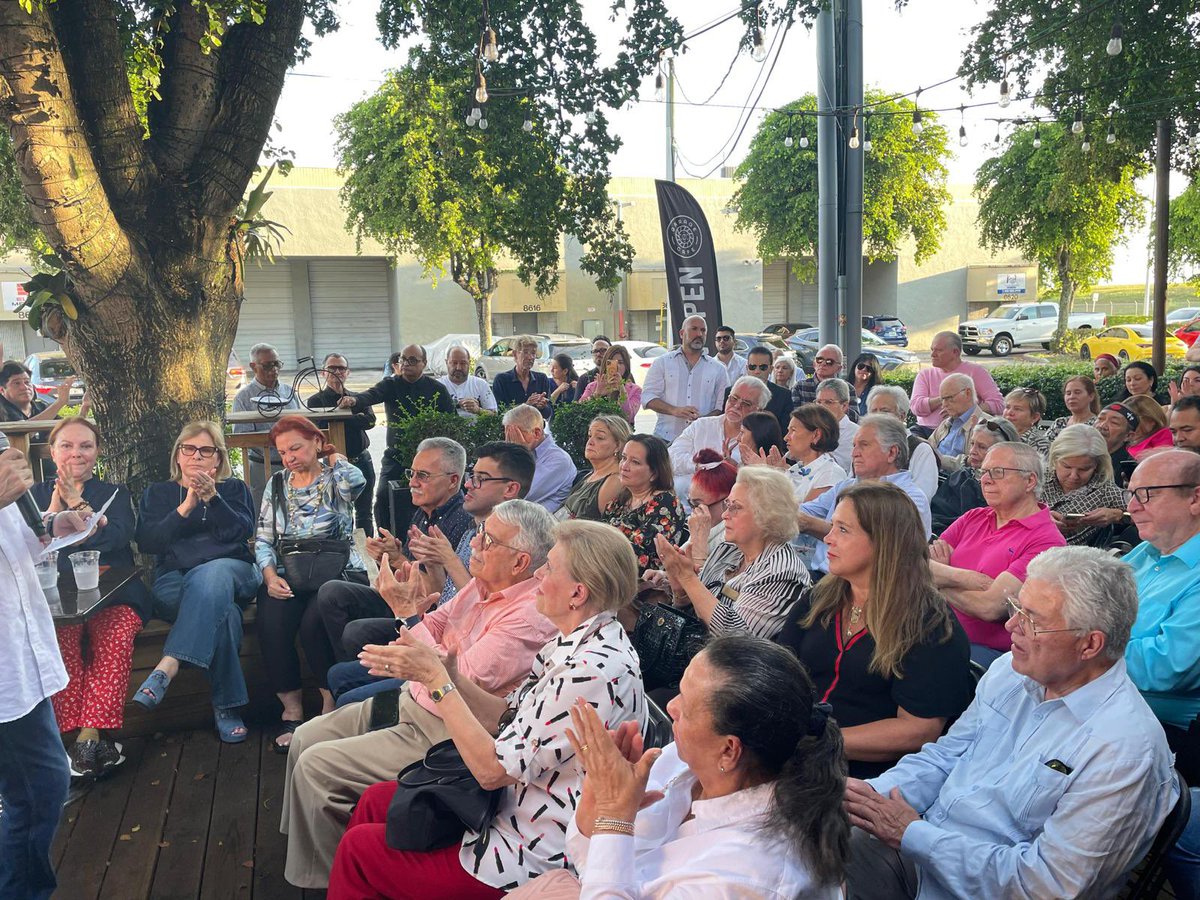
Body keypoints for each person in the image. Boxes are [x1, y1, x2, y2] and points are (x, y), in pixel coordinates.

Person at [326, 520, 647, 897]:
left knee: (358, 851)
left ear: (578, 593)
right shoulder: (580, 642)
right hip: (504, 807)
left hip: (525, 849)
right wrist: (452, 678)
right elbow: (509, 716)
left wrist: (438, 682)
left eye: (549, 567)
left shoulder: (589, 671)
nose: (538, 574)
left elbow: (492, 772)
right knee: (373, 802)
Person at [843, 545, 1179, 900]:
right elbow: (945, 758)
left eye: (1032, 619)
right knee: (812, 839)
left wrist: (913, 834)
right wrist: (862, 798)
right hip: (923, 857)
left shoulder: (1123, 749)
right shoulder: (1013, 672)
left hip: (968, 883)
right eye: (1017, 607)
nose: (1010, 625)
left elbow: (1047, 886)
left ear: (1090, 645)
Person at [280, 500, 559, 889]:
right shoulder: (483, 584)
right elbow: (435, 624)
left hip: (444, 731)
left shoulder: (528, 617)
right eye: (480, 532)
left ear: (519, 562)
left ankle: (328, 881)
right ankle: (307, 852)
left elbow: (456, 678)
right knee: (305, 737)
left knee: (317, 767)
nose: (474, 543)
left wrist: (409, 616)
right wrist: (412, 613)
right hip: (412, 700)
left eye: (488, 539)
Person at [561, 635, 849, 899]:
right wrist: (598, 797)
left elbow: (607, 873)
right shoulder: (684, 760)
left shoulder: (751, 876)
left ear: (729, 750)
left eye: (685, 707)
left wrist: (614, 815)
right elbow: (593, 863)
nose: (671, 706)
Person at [777, 481, 971, 779]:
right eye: (833, 526)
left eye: (843, 530)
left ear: (883, 542)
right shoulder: (822, 597)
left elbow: (918, 730)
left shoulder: (929, 625)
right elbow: (781, 666)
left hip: (861, 776)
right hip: (793, 750)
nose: (828, 538)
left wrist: (815, 741)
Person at [323, 442, 536, 707]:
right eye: (472, 476)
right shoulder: (469, 528)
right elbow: (442, 599)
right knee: (338, 669)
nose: (469, 485)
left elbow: (481, 604)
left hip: (449, 675)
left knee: (352, 662)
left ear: (510, 489)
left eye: (480, 479)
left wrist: (414, 596)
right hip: (438, 638)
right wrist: (406, 576)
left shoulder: (508, 543)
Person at [30, 418, 151, 778]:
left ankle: (88, 736)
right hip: (56, 601)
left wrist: (75, 502)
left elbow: (115, 537)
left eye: (85, 445)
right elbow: (30, 544)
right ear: (52, 452)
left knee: (114, 636)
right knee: (59, 643)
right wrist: (56, 505)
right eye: (66, 446)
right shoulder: (33, 495)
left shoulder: (115, 493)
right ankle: (82, 740)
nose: (76, 453)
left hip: (114, 593)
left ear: (97, 451)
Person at [134, 422, 261, 742]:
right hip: (175, 579)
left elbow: (241, 532)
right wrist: (187, 506)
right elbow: (149, 542)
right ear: (178, 455)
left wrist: (213, 499)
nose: (196, 456)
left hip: (235, 572)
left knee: (213, 574)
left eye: (206, 450)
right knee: (225, 614)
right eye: (189, 449)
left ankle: (169, 664)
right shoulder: (159, 493)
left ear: (218, 458)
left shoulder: (234, 489)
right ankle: (227, 708)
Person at [0, 445, 83, 900]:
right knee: (39, 789)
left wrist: (51, 527)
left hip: (19, 662)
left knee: (34, 790)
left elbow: (15, 545)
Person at [255, 415, 367, 751]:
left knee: (312, 624)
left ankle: (329, 706)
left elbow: (356, 485)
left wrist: (335, 457)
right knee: (272, 620)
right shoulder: (277, 484)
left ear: (316, 441)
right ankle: (292, 710)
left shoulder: (336, 477)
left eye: (295, 448)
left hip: (337, 571)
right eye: (282, 452)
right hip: (290, 572)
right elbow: (263, 538)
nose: (289, 457)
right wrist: (270, 576)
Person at [317, 437, 472, 666]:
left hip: (429, 618)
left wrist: (398, 560)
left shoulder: (462, 520)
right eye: (412, 473)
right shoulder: (424, 511)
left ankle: (354, 677)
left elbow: (439, 594)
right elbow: (412, 568)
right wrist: (388, 554)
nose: (413, 482)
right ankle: (346, 673)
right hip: (405, 599)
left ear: (453, 481)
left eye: (423, 476)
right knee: (332, 593)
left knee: (355, 632)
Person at [929, 441, 1066, 667]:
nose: (986, 479)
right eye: (983, 472)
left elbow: (990, 607)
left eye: (998, 472)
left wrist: (939, 582)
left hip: (982, 654)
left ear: (1030, 481)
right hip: (933, 630)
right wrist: (969, 579)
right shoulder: (974, 517)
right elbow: (918, 566)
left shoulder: (1047, 541)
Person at [655, 466, 809, 647]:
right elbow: (695, 614)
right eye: (727, 505)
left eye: (735, 507)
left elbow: (737, 639)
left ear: (768, 515)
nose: (724, 515)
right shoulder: (727, 549)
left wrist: (688, 578)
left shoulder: (783, 572)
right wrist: (681, 591)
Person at [339, 342, 455, 535]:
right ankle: (386, 541)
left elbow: (451, 422)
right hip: (395, 457)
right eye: (403, 359)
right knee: (382, 499)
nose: (406, 364)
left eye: (412, 360)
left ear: (424, 363)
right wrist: (355, 400)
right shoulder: (391, 384)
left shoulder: (437, 389)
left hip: (429, 460)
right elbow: (371, 394)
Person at [1122, 450, 1200, 733]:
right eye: (1131, 494)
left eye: (1146, 494)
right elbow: (1084, 606)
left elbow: (1167, 667)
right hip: (1101, 702)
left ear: (1195, 499)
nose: (1132, 507)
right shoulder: (1144, 553)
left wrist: (1078, 646)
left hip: (1162, 731)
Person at [796, 416, 931, 578]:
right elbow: (802, 512)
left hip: (864, 584)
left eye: (864, 445)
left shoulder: (910, 499)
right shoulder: (846, 486)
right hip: (818, 575)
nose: (854, 453)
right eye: (854, 446)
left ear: (892, 453)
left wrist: (810, 524)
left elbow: (876, 545)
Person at [306, 352, 378, 533]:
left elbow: (370, 422)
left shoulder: (357, 398)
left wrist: (343, 416)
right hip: (333, 464)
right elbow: (318, 429)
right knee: (339, 513)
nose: (337, 372)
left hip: (362, 460)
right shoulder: (315, 401)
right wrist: (352, 415)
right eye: (332, 368)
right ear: (323, 372)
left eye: (341, 368)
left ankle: (367, 548)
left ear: (348, 372)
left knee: (364, 513)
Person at [669, 375, 769, 498]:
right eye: (734, 398)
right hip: (683, 501)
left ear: (759, 410)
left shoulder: (760, 441)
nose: (737, 406)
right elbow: (671, 457)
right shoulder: (701, 425)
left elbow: (760, 485)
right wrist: (699, 465)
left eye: (746, 403)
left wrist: (735, 469)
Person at [604, 433, 688, 578]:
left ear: (654, 473)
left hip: (637, 580)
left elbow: (648, 559)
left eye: (635, 462)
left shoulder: (666, 503)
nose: (624, 466)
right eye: (623, 458)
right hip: (606, 571)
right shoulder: (621, 499)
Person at [231, 342, 302, 506]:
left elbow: (301, 425)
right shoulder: (243, 397)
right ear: (253, 367)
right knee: (262, 514)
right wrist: (279, 444)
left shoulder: (289, 392)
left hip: (293, 467)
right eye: (267, 365)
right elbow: (243, 437)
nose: (274, 369)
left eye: (277, 364)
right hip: (261, 467)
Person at [642, 314, 729, 441]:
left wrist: (701, 422)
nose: (699, 334)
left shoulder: (718, 369)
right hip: (665, 438)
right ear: (682, 333)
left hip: (702, 439)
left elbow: (722, 406)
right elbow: (648, 397)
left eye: (703, 330)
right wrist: (674, 410)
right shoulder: (662, 363)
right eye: (694, 329)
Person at [1043, 424, 1127, 546]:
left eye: (1084, 469)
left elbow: (1147, 511)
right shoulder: (1034, 479)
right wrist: (1039, 520)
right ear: (1055, 459)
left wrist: (1117, 515)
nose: (1073, 476)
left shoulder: (1105, 490)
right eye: (1067, 467)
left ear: (1096, 465)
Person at [930, 418, 1017, 535]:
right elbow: (936, 516)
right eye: (972, 444)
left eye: (982, 447)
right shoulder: (960, 478)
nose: (972, 451)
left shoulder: (1014, 488)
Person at [908, 331, 1004, 437]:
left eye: (939, 350)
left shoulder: (976, 371)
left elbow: (998, 404)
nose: (933, 355)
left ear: (955, 352)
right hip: (924, 430)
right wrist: (946, 398)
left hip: (963, 432)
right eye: (932, 350)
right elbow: (916, 407)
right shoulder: (925, 374)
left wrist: (966, 411)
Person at [866, 386, 938, 501]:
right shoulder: (863, 447)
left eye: (885, 411)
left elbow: (921, 497)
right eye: (873, 411)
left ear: (902, 416)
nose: (878, 416)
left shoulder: (920, 450)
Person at [502, 403, 577, 513]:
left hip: (536, 520)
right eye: (508, 432)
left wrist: (518, 454)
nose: (509, 439)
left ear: (537, 433)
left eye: (516, 433)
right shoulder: (527, 450)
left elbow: (518, 494)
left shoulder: (558, 459)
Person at [557, 414, 629, 521]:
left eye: (600, 438)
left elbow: (600, 525)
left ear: (618, 446)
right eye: (590, 436)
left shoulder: (614, 481)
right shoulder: (591, 474)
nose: (590, 442)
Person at [681, 449, 739, 564]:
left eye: (698, 505)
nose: (693, 513)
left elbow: (705, 575)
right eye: (690, 504)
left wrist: (699, 543)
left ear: (727, 503)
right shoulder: (707, 528)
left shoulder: (734, 540)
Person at [783, 404, 847, 503]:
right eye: (788, 431)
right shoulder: (795, 469)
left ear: (816, 435)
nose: (786, 438)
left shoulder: (830, 474)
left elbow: (804, 512)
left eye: (793, 430)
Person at [793, 344, 860, 423]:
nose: (823, 364)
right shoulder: (800, 386)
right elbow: (795, 417)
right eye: (819, 360)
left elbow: (854, 418)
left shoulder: (848, 388)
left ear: (839, 368)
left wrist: (836, 405)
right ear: (814, 364)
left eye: (829, 362)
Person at [927, 373, 982, 466]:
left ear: (968, 393)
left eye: (949, 398)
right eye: (942, 400)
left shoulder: (985, 425)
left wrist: (940, 460)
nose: (944, 405)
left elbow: (975, 465)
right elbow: (928, 448)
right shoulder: (946, 423)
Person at [0, 358, 77, 424]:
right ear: (2, 390)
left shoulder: (41, 407)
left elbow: (62, 429)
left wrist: (83, 410)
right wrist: (59, 403)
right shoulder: (2, 412)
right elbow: (22, 431)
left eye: (27, 382)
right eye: (17, 383)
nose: (24, 387)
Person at [579, 343, 642, 422]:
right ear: (605, 364)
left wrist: (622, 389)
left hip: (621, 429)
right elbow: (579, 412)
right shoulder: (592, 386)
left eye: (620, 362)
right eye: (611, 363)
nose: (617, 366)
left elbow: (628, 416)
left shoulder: (635, 390)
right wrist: (597, 394)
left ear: (626, 366)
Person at [491, 335, 554, 411]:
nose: (530, 357)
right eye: (525, 352)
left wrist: (543, 406)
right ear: (515, 354)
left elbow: (550, 412)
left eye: (533, 353)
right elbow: (501, 411)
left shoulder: (542, 379)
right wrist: (526, 405)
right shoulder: (502, 380)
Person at [438, 345, 498, 418]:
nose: (458, 367)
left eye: (463, 363)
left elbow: (494, 415)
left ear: (469, 363)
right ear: (446, 362)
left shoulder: (480, 384)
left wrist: (478, 410)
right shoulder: (437, 385)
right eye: (454, 363)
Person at [816, 378, 860, 474]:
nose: (821, 407)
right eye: (818, 402)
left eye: (828, 402)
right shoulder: (811, 428)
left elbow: (842, 468)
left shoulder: (855, 433)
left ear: (844, 406)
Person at [1045, 374, 1100, 441]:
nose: (1071, 397)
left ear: (1091, 396)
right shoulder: (1059, 423)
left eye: (1077, 392)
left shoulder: (1097, 425)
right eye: (1068, 393)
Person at [1096, 402, 1139, 486]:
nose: (1102, 425)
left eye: (1114, 422)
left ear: (1128, 436)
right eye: (1100, 419)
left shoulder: (1129, 468)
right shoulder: (1079, 453)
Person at [1002, 387, 1049, 455]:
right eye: (1007, 407)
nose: (1009, 412)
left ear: (1034, 417)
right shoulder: (995, 436)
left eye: (1017, 409)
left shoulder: (1041, 447)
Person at [1125, 393, 1174, 458]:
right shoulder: (1128, 443)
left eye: (1133, 422)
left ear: (1151, 420)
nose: (1127, 428)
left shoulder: (1163, 437)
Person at [571, 335, 612, 401]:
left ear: (611, 352)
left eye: (603, 350)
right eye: (595, 351)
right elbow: (576, 405)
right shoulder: (584, 378)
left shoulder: (621, 375)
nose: (598, 354)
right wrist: (596, 394)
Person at [850, 353, 882, 417]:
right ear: (855, 367)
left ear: (874, 372)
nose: (864, 369)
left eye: (869, 368)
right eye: (861, 366)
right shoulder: (843, 386)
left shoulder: (877, 393)